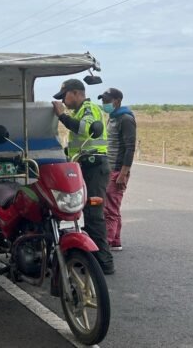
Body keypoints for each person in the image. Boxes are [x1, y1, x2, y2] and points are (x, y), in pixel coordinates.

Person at [52, 79, 115, 275]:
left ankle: (104, 262)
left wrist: (61, 116)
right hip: (85, 167)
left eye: (64, 96)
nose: (63, 101)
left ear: (75, 93)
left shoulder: (89, 109)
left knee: (94, 215)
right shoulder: (79, 112)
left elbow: (85, 129)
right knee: (84, 212)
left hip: (95, 168)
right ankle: (91, 259)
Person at [98, 87, 136, 251]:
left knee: (109, 210)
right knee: (112, 206)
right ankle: (115, 241)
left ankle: (105, 245)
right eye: (103, 101)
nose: (104, 104)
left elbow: (130, 147)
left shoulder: (126, 119)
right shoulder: (113, 117)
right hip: (110, 167)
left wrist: (123, 173)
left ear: (118, 101)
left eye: (107, 101)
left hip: (117, 170)